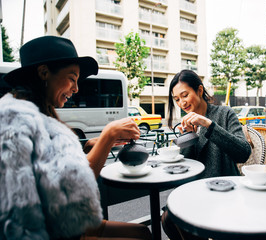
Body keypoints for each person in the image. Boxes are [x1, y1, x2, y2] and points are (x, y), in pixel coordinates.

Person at [0, 36, 151, 240]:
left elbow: (52, 170)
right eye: (72, 78)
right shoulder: (14, 121)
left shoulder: (37, 113)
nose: (76, 88)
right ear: (44, 73)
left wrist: (88, 146)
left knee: (142, 232)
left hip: (67, 222)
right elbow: (73, 184)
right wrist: (108, 135)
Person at [161, 69, 252, 240]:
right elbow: (186, 166)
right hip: (196, 192)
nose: (182, 103)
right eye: (177, 99)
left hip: (225, 189)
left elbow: (243, 153)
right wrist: (188, 137)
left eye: (185, 95)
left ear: (200, 91)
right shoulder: (186, 123)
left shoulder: (224, 114)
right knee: (169, 219)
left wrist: (209, 125)